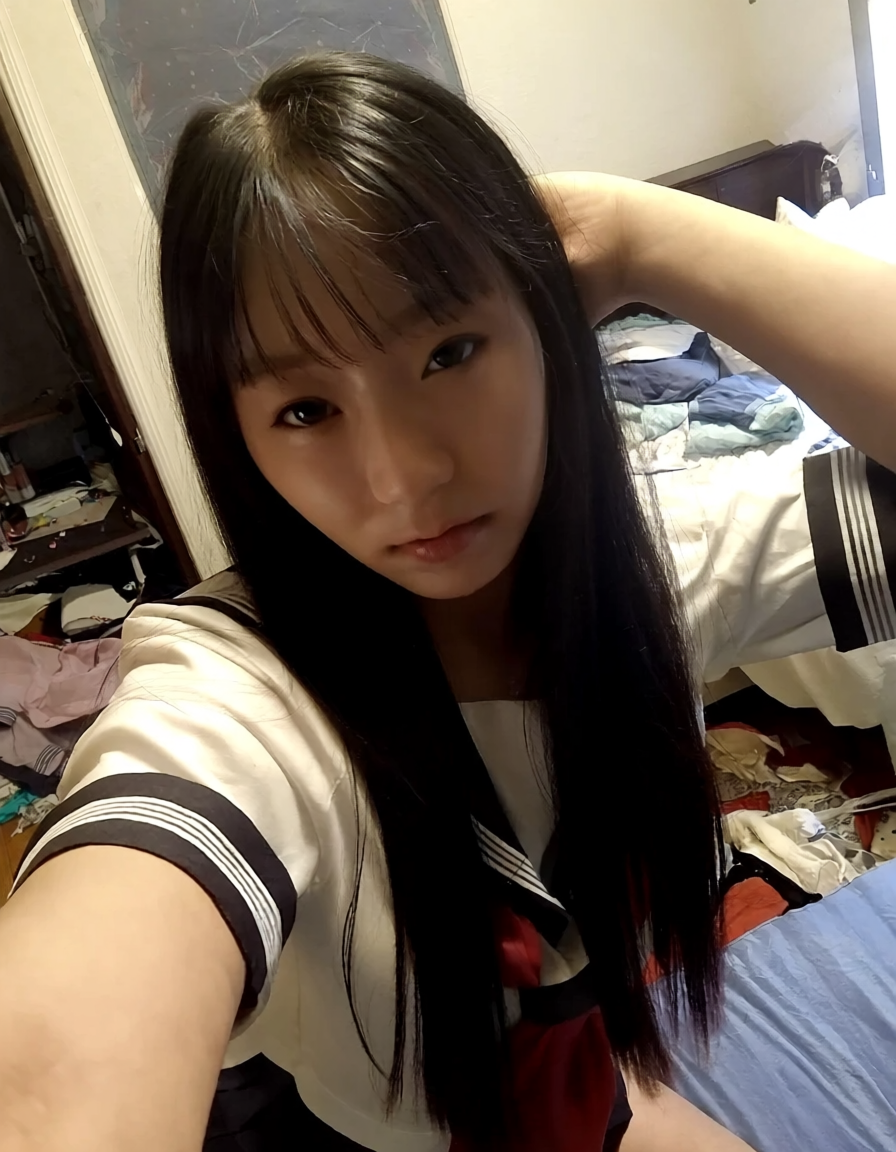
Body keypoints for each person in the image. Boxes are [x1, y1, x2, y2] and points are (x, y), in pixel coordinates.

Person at [2, 49, 892, 1152]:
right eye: (304, 410)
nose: (403, 478)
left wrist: (635, 234)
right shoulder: (235, 701)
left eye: (450, 350)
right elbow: (56, 1060)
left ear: (547, 327)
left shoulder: (640, 574)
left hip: (588, 1094)